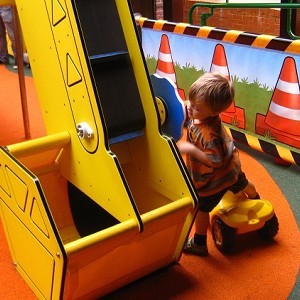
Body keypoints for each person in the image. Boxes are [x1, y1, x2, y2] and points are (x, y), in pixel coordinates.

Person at [177, 72, 259, 256]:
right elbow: (193, 108)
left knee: (201, 208)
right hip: (232, 169)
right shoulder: (206, 114)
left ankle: (199, 243)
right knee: (242, 182)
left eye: (195, 107)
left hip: (213, 180)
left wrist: (191, 150)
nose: (189, 108)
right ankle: (255, 200)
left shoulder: (208, 135)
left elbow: (215, 161)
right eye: (189, 101)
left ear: (213, 112)